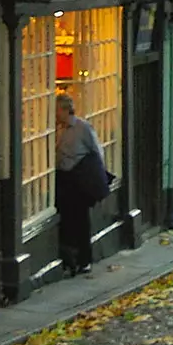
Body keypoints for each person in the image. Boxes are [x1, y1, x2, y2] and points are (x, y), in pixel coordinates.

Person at [55, 93, 107, 275]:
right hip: (62, 178)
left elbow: (97, 150)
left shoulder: (82, 128)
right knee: (66, 220)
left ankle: (85, 259)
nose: (55, 114)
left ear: (65, 110)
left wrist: (98, 177)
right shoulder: (55, 129)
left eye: (57, 110)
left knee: (81, 220)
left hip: (78, 178)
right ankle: (70, 259)